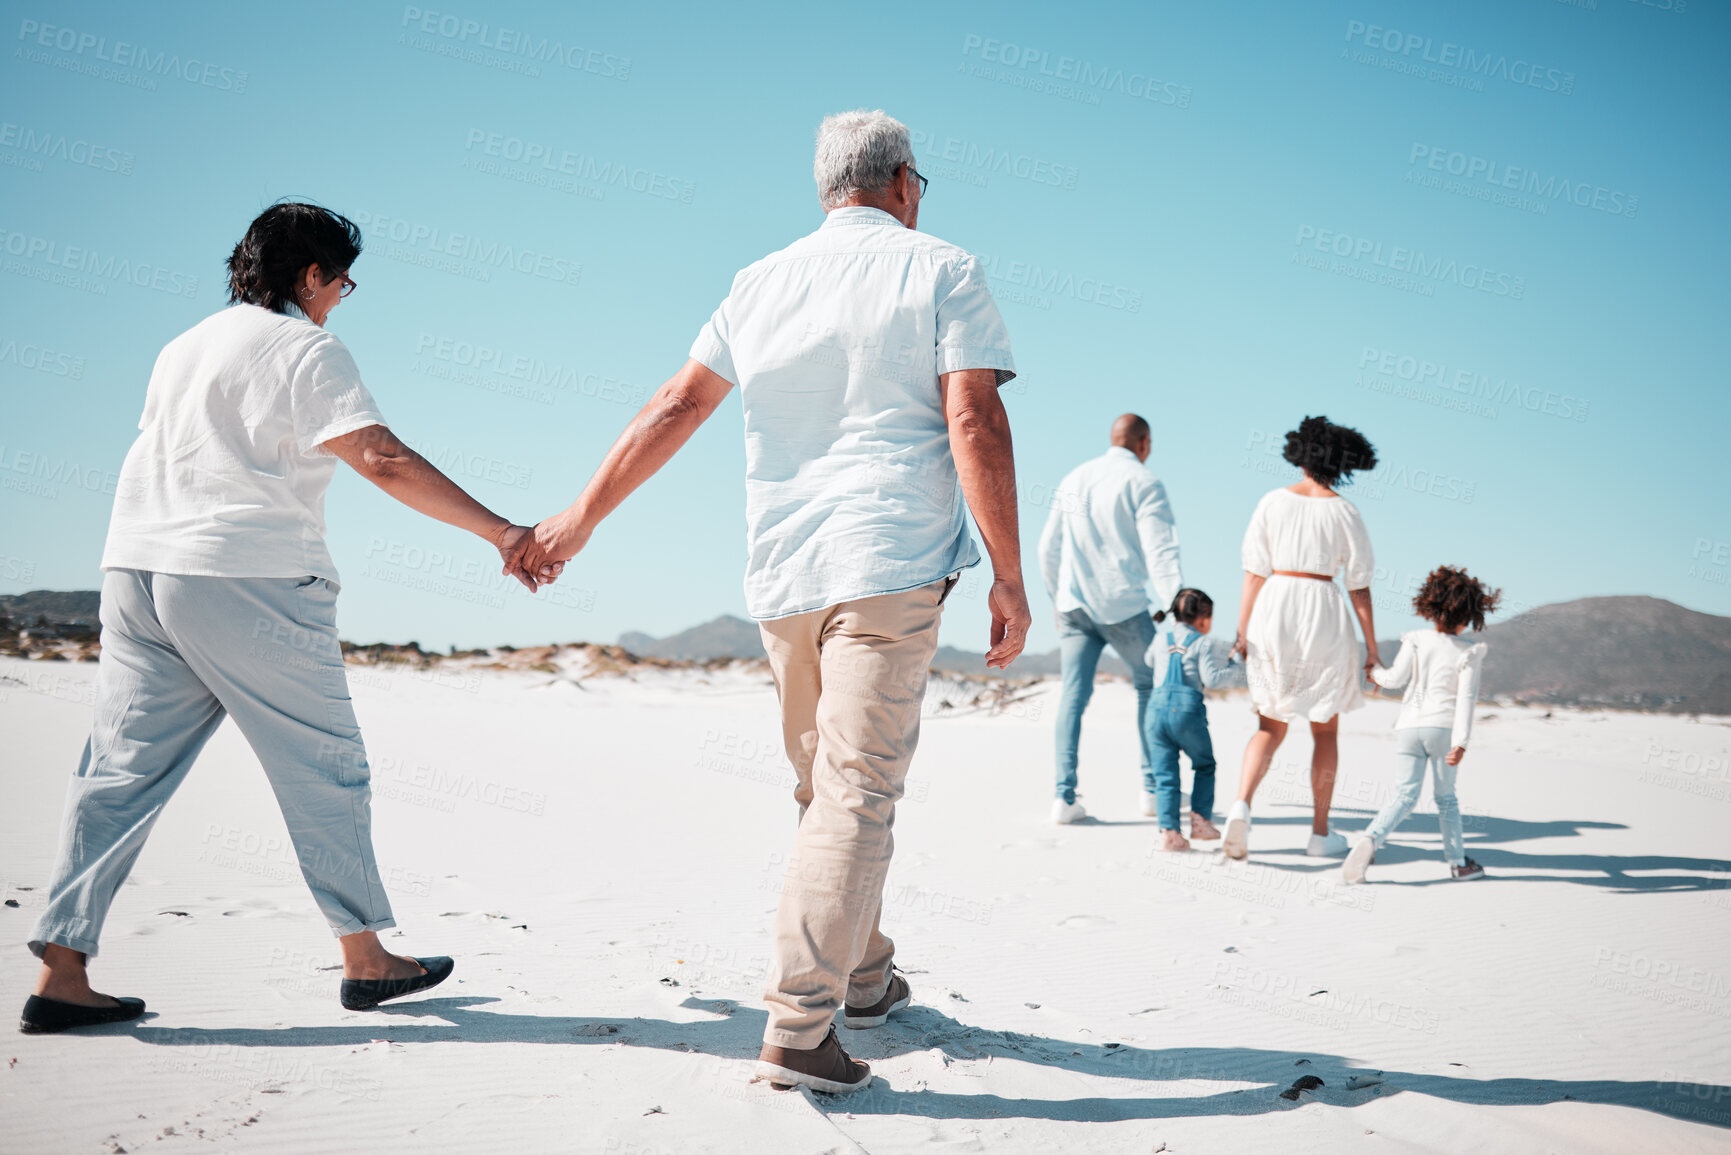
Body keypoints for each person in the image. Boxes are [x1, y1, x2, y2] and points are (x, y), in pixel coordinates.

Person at [506, 109, 1027, 1094]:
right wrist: (1007, 568)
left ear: (830, 188)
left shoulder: (759, 280)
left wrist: (576, 520)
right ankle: (799, 1024)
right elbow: (973, 411)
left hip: (784, 572)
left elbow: (678, 404)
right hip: (892, 559)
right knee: (856, 793)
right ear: (904, 182)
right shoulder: (943, 267)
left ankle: (865, 977)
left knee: (825, 788)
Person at [21, 202, 557, 1035]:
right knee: (324, 766)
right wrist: (503, 532)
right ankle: (367, 959)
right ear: (309, 274)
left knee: (117, 773)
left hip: (134, 566)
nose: (344, 294)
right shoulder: (306, 347)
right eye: (342, 278)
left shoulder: (184, 344)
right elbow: (377, 456)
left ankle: (63, 970)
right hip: (247, 576)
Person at [1223, 416, 1378, 861]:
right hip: (1325, 607)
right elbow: (1360, 585)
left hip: (1275, 604)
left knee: (1269, 723)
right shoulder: (1345, 510)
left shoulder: (1272, 501)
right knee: (1325, 728)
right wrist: (1371, 646)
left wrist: (1242, 631)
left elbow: (1254, 572)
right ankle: (1320, 833)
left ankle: (1241, 807)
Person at [1037, 414, 1183, 824]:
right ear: (1144, 443)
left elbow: (1048, 547)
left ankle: (1063, 799)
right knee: (1151, 684)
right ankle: (1152, 791)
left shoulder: (1075, 477)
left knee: (1072, 697)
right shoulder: (1144, 482)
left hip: (1074, 607)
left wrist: (1057, 599)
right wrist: (1178, 608)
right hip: (1123, 607)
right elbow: (1162, 552)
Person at [1344, 566, 1500, 883]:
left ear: (1431, 606)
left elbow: (1394, 679)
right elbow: (1467, 699)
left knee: (1404, 796)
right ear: (1469, 614)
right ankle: (1458, 864)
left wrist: (1374, 672)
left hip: (1408, 728)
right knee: (1446, 799)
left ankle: (1370, 839)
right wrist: (1462, 742)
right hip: (1442, 729)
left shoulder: (1416, 640)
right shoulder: (1469, 652)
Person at [1144, 589, 1245, 851]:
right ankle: (1200, 821)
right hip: (1186, 713)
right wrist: (1235, 665)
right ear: (1204, 618)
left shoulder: (1160, 638)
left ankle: (1170, 833)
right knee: (1204, 764)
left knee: (1165, 775)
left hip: (1155, 713)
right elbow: (1212, 679)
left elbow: (1148, 660)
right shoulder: (1203, 642)